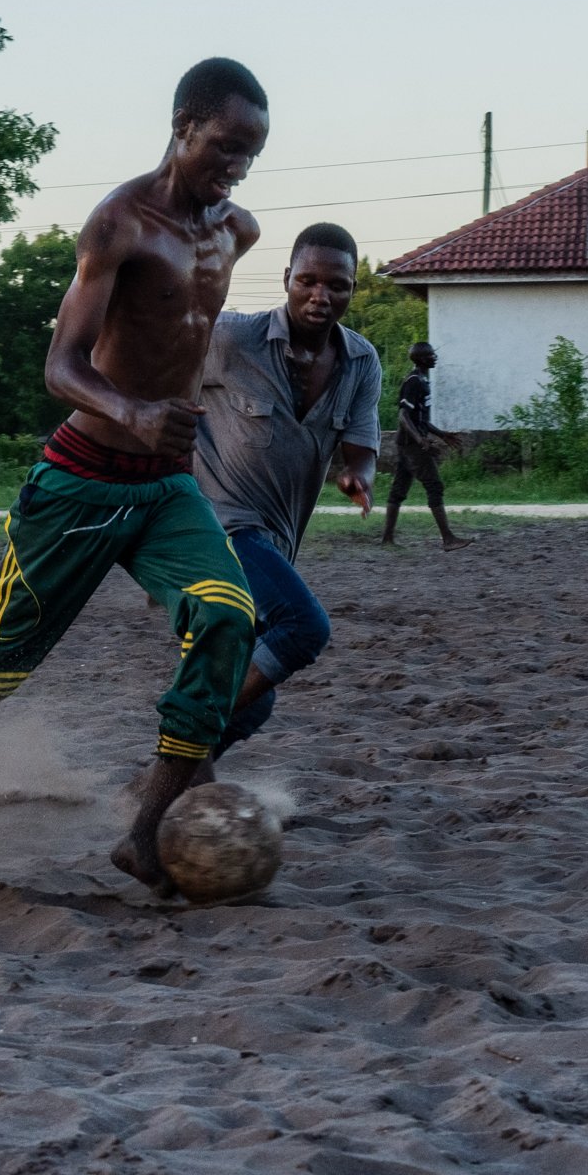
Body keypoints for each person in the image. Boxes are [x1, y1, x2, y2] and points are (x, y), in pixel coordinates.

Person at [0, 58, 270, 896]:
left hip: (168, 487)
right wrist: (135, 411)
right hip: (80, 483)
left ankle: (145, 834)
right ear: (183, 124)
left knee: (226, 617)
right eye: (223, 146)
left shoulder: (236, 230)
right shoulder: (119, 223)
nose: (234, 168)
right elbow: (60, 367)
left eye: (249, 154)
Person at [192, 222, 382, 769]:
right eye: (308, 281)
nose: (321, 296)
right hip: (216, 528)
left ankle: (159, 785)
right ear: (287, 279)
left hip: (274, 540)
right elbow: (159, 370)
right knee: (304, 627)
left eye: (337, 285)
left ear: (352, 289)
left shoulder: (360, 362)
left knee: (254, 703)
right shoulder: (231, 340)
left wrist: (358, 476)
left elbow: (362, 444)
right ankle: (184, 741)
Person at [380, 341, 469, 549]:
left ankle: (387, 539)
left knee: (398, 490)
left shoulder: (422, 380)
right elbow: (403, 416)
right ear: (420, 359)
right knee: (434, 485)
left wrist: (442, 434)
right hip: (412, 445)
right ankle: (448, 539)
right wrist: (421, 440)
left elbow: (419, 419)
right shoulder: (414, 382)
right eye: (431, 355)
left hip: (407, 443)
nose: (435, 358)